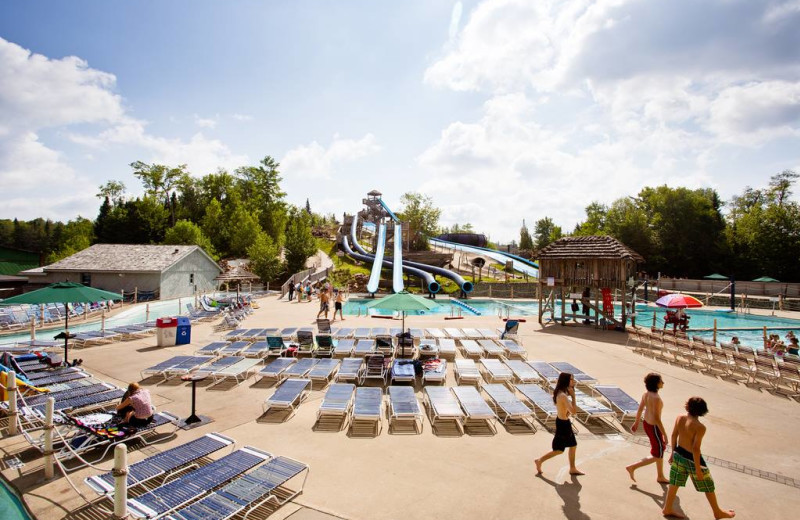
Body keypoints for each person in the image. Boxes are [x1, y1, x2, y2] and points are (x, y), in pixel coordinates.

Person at [662, 397, 735, 519]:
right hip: (692, 460)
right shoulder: (700, 427)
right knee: (708, 485)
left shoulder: (680, 417)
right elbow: (696, 449)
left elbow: (674, 435)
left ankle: (667, 508)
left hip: (679, 454)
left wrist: (673, 453)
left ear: (688, 407)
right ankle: (717, 512)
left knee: (674, 482)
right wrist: (697, 469)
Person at [535, 372, 584, 476]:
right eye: (571, 379)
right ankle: (539, 460)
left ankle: (572, 468)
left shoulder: (562, 393)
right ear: (566, 381)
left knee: (573, 445)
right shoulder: (562, 395)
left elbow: (566, 411)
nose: (573, 381)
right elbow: (574, 411)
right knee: (559, 450)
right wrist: (574, 397)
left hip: (563, 421)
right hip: (563, 424)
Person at [626, 373, 669, 483]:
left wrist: (636, 423)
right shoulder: (657, 399)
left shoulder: (646, 394)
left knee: (659, 451)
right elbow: (657, 418)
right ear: (656, 384)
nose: (663, 382)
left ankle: (660, 475)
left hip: (646, 424)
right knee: (658, 453)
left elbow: (640, 409)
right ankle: (633, 467)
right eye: (661, 381)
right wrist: (664, 434)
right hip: (654, 427)